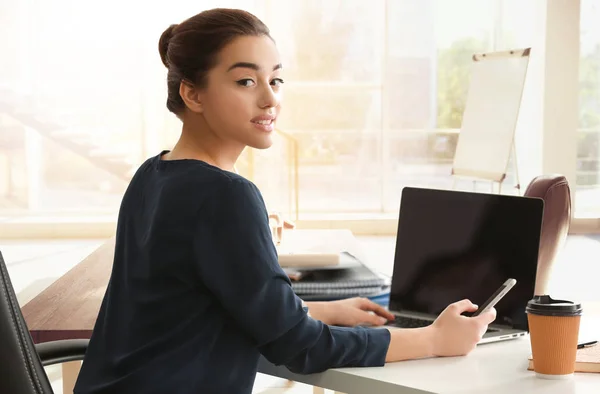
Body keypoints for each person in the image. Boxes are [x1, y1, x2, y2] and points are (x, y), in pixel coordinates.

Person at [73, 8, 496, 394]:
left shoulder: (154, 173)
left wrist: (318, 309)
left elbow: (195, 304)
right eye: (245, 81)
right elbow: (299, 347)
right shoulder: (226, 194)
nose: (270, 98)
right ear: (193, 94)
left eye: (275, 80)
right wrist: (434, 339)